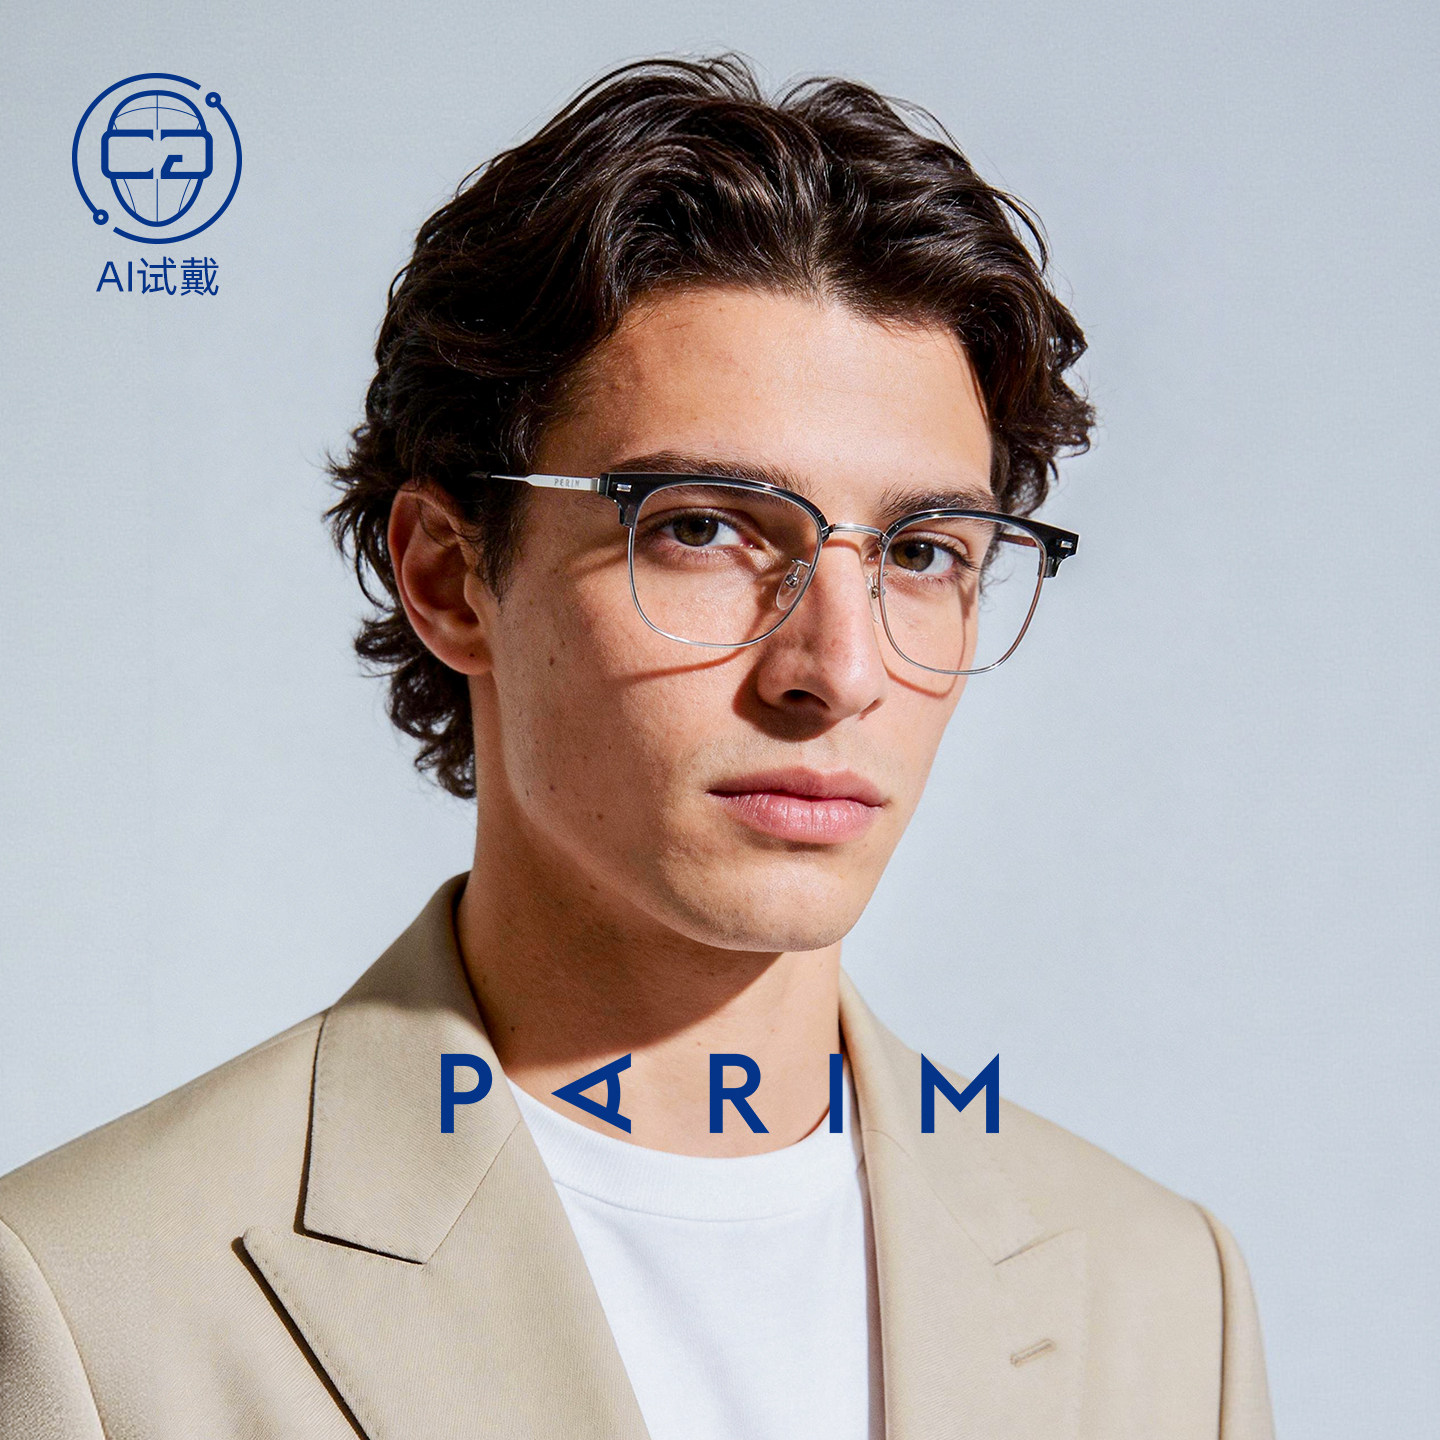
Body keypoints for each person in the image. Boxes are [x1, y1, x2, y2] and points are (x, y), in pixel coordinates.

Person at [0, 55, 1273, 1440]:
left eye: (921, 552)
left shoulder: (1161, 1297)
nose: (839, 671)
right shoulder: (90, 1304)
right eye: (703, 528)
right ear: (449, 575)